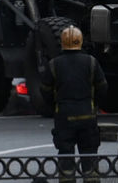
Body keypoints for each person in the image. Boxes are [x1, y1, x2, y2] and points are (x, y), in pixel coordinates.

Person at [39, 26, 107, 182]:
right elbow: (103, 87)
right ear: (80, 41)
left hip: (64, 117)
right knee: (89, 155)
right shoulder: (91, 62)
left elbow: (45, 90)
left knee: (66, 156)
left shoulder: (54, 64)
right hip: (87, 115)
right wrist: (93, 104)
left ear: (62, 42)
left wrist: (55, 106)